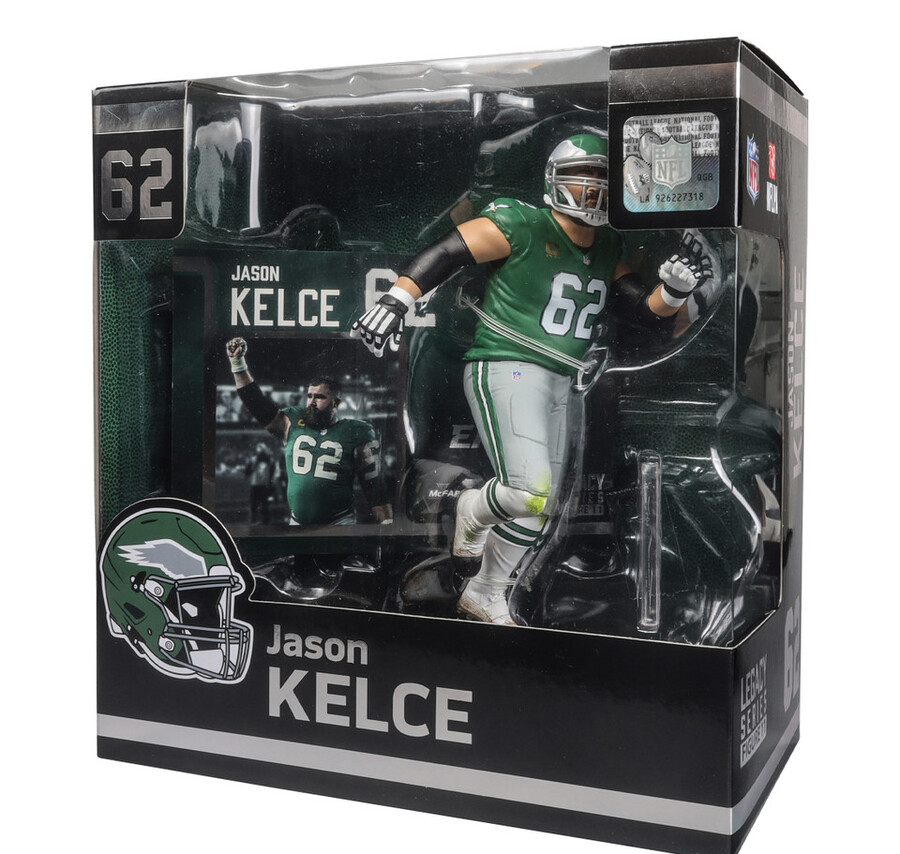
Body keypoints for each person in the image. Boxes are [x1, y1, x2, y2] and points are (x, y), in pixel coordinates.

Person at [353, 132, 708, 624]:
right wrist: (396, 299)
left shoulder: (608, 244)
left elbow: (642, 312)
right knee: (528, 490)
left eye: (604, 177)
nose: (595, 188)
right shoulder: (520, 222)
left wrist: (672, 292)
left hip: (562, 378)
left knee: (539, 509)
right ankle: (472, 509)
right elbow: (448, 251)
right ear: (555, 181)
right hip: (509, 364)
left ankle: (486, 592)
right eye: (584, 176)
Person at [225, 338, 392, 525]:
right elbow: (257, 404)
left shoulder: (356, 431)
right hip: (297, 523)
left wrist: (387, 526)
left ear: (336, 402)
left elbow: (374, 487)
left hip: (339, 522)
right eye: (309, 396)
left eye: (319, 397)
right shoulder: (293, 420)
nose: (312, 402)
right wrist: (237, 363)